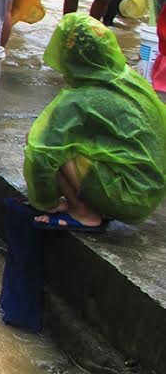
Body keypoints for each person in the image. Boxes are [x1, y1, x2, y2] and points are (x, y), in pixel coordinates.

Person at [25, 14, 166, 231]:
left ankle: (83, 213)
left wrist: (47, 202)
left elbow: (40, 155)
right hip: (150, 190)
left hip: (127, 195)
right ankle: (97, 204)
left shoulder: (80, 99)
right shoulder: (129, 78)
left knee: (44, 138)